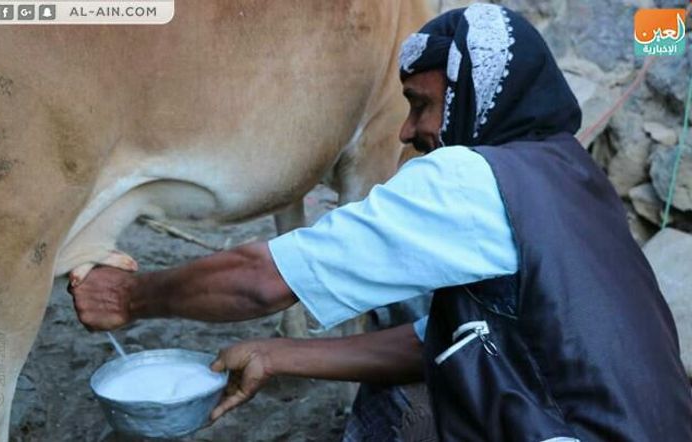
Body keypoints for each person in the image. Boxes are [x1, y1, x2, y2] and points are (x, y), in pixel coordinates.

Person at [69, 4, 692, 440]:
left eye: (422, 106)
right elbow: (442, 339)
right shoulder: (566, 173)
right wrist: (278, 353)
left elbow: (258, 280)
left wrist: (129, 295)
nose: (407, 131)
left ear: (479, 98)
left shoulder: (471, 180)